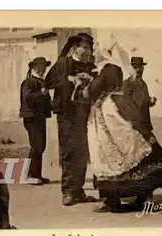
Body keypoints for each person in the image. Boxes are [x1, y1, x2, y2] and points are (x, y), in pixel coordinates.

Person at [84, 41, 162, 212]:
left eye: (97, 51)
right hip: (114, 110)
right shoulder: (115, 69)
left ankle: (112, 201)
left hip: (107, 113)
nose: (94, 54)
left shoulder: (107, 69)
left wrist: (84, 86)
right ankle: (141, 197)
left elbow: (92, 92)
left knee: (108, 153)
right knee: (129, 152)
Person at [45, 33, 98, 206]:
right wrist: (69, 79)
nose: (90, 51)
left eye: (91, 47)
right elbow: (48, 82)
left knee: (82, 153)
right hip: (67, 114)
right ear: (77, 48)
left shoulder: (91, 66)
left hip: (85, 114)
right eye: (87, 47)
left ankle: (79, 191)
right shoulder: (63, 64)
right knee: (69, 151)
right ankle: (68, 192)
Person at [19, 57, 53, 185]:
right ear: (34, 68)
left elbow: (46, 101)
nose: (43, 69)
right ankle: (30, 175)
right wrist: (42, 93)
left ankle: (36, 174)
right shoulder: (28, 82)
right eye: (40, 67)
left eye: (44, 67)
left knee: (40, 146)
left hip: (39, 117)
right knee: (37, 145)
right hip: (31, 117)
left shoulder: (40, 82)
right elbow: (28, 98)